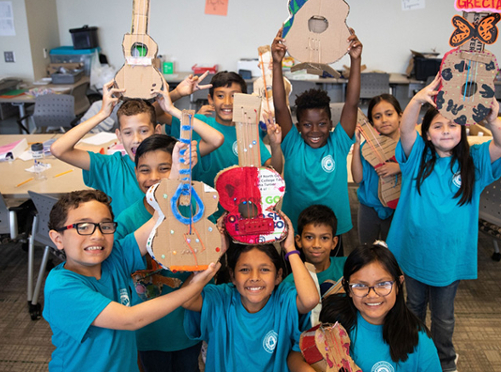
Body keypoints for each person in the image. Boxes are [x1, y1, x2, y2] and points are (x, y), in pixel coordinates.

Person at [386, 76, 501, 371]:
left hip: (450, 258)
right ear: (427, 134)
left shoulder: (475, 160)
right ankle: (413, 354)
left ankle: (445, 360)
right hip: (414, 252)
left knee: (443, 317)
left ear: (463, 129)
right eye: (438, 126)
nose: (446, 131)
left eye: (452, 125)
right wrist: (418, 100)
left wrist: (494, 121)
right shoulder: (416, 155)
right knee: (413, 308)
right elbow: (405, 129)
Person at [43, 188, 218, 372]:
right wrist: (192, 288)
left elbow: (158, 217)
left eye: (105, 226)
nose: (97, 235)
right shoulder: (61, 287)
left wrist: (178, 167)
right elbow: (131, 319)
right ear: (57, 238)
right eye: (83, 227)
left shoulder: (114, 258)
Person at [50, 77, 220, 216]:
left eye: (144, 131)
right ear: (118, 135)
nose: (137, 139)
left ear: (157, 130)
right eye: (128, 132)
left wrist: (170, 107)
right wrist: (102, 114)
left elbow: (215, 140)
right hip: (129, 252)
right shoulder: (111, 167)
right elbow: (59, 149)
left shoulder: (175, 157)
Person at [182, 217, 319, 372]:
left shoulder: (283, 299)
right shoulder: (221, 299)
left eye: (264, 269)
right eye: (245, 270)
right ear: (232, 276)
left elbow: (311, 300)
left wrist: (290, 249)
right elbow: (186, 299)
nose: (254, 277)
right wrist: (216, 251)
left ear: (278, 276)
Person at [271, 27, 362, 254]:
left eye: (322, 124)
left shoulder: (339, 143)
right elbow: (280, 106)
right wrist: (276, 64)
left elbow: (351, 103)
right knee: (294, 282)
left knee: (330, 282)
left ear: (331, 123)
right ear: (298, 126)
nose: (315, 130)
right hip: (297, 229)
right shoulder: (292, 144)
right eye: (307, 125)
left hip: (332, 231)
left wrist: (356, 60)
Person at [115, 135, 202, 372]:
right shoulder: (126, 220)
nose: (153, 177)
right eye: (144, 170)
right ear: (135, 172)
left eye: (164, 168)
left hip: (188, 324)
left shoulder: (195, 209)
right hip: (148, 330)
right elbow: (116, 267)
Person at [287, 243, 442, 371]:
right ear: (347, 289)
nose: (372, 295)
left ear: (398, 285)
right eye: (360, 285)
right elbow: (295, 357)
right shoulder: (334, 317)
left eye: (382, 284)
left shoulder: (418, 338)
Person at [154, 71, 284, 189]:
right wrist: (178, 93)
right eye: (220, 96)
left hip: (238, 213)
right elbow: (154, 114)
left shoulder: (248, 131)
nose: (227, 102)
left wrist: (275, 145)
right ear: (211, 99)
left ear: (243, 100)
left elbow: (273, 171)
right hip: (202, 211)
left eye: (234, 96)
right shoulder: (198, 123)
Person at [351, 94, 402, 244]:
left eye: (389, 114)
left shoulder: (409, 145)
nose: (384, 120)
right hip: (369, 207)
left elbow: (420, 170)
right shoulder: (367, 148)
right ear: (372, 122)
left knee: (393, 254)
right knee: (366, 250)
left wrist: (399, 167)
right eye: (378, 117)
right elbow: (358, 178)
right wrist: (356, 144)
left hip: (397, 208)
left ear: (400, 116)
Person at [283, 205, 345, 297]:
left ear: (334, 242)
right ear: (299, 241)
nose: (316, 245)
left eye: (324, 238)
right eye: (309, 237)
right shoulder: (290, 282)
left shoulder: (349, 267)